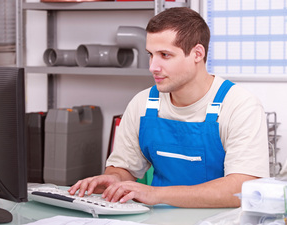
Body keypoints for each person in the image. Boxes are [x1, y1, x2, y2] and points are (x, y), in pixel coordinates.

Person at [69, 7, 269, 208]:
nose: (153, 67)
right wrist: (115, 178)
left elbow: (243, 188)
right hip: (159, 217)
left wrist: (156, 194)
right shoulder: (143, 103)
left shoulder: (239, 106)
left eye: (165, 55)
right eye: (151, 54)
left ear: (197, 54)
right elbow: (123, 168)